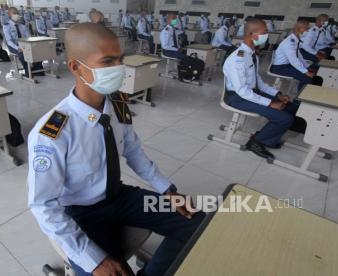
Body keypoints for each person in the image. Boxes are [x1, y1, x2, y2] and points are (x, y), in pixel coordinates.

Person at [28, 22, 205, 276]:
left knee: (196, 223)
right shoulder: (53, 131)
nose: (119, 68)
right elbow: (43, 205)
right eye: (108, 61)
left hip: (119, 198)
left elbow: (132, 150)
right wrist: (94, 261)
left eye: (120, 60)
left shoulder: (118, 102)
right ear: (76, 67)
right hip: (82, 213)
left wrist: (167, 189)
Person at [223, 19, 299, 159]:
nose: (267, 35)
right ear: (253, 34)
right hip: (237, 98)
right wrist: (270, 103)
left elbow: (259, 83)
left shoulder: (251, 54)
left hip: (251, 93)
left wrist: (277, 94)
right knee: (284, 118)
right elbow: (242, 91)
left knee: (290, 106)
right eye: (264, 32)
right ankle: (256, 142)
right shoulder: (237, 59)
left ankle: (268, 138)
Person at [270, 20, 324, 92]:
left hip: (287, 65)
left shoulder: (295, 40)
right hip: (279, 68)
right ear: (300, 29)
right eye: (307, 29)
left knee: (311, 72)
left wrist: (307, 67)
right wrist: (306, 72)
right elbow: (293, 60)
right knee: (308, 78)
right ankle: (299, 100)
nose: (308, 31)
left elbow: (299, 55)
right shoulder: (290, 42)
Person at [3, 7, 44, 78]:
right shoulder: (6, 26)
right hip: (13, 46)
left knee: (37, 50)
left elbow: (29, 37)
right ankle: (27, 71)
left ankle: (38, 69)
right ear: (9, 14)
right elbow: (9, 41)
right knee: (21, 53)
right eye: (14, 13)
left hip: (24, 44)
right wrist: (18, 48)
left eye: (17, 13)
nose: (17, 15)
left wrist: (32, 44)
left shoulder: (22, 26)